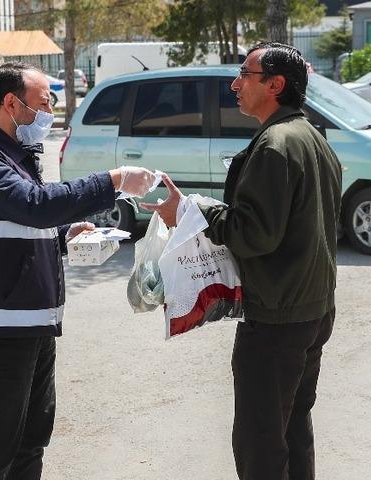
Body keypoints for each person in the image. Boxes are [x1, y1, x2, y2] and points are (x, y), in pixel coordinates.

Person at [0, 61, 157, 480]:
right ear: (10, 103)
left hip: (31, 326)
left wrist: (63, 235)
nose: (50, 114)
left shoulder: (16, 156)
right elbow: (34, 206)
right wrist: (113, 180)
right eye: (44, 103)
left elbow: (23, 224)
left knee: (30, 444)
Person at [142, 42, 342, 480]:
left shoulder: (276, 145)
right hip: (311, 307)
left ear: (275, 84)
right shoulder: (312, 137)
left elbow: (255, 234)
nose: (234, 84)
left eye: (244, 75)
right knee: (292, 430)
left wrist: (194, 213)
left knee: (261, 440)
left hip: (277, 317)